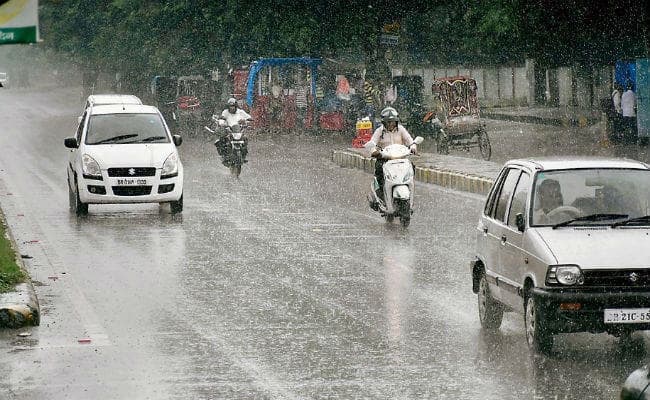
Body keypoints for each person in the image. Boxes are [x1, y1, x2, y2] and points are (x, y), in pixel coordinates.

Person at [368, 107, 417, 201]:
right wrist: (374, 151)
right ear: (384, 122)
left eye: (393, 122)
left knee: (411, 167)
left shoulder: (401, 129)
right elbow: (372, 143)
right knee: (379, 170)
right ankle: (380, 193)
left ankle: (408, 187)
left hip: (401, 159)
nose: (391, 124)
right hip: (385, 159)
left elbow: (409, 140)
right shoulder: (379, 131)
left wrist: (413, 146)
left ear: (396, 121)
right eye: (388, 122)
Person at [214, 97, 253, 165]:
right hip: (228, 130)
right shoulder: (225, 112)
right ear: (228, 106)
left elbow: (248, 117)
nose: (232, 108)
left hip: (238, 131)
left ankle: (244, 155)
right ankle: (224, 156)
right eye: (230, 106)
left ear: (236, 106)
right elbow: (221, 119)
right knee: (222, 140)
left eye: (233, 106)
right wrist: (222, 123)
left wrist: (246, 120)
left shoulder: (240, 112)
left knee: (245, 139)